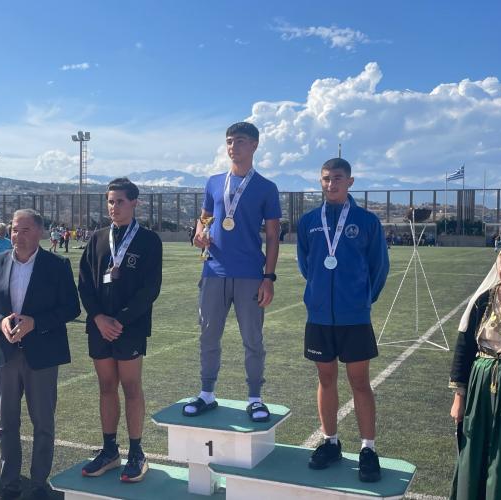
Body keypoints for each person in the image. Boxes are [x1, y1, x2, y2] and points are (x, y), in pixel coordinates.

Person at [0, 209, 81, 500]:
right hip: (4, 355)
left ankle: (39, 484)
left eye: (24, 230)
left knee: (43, 423)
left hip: (42, 355)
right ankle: (9, 483)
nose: (17, 236)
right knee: (6, 424)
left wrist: (36, 323)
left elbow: (71, 308)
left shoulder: (57, 265)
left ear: (40, 232)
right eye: (14, 229)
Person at [296, 157, 389, 482]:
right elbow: (306, 264)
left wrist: (362, 300)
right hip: (319, 316)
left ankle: (368, 449)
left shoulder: (366, 221)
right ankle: (330, 441)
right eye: (326, 178)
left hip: (354, 317)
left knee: (360, 382)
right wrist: (319, 295)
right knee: (325, 379)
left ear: (350, 181)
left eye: (337, 178)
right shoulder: (309, 221)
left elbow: (379, 266)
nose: (331, 183)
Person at [182, 122, 280, 423]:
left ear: (254, 145)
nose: (232, 147)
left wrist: (268, 277)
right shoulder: (214, 182)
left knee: (253, 339)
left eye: (239, 141)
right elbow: (204, 220)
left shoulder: (266, 187)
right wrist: (199, 234)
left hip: (250, 274)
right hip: (213, 271)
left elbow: (273, 236)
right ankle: (206, 393)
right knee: (208, 335)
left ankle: (255, 398)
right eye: (228, 141)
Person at [78, 178, 163, 482]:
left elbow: (150, 289)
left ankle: (137, 452)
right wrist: (98, 317)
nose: (114, 207)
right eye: (110, 201)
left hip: (130, 327)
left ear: (134, 203)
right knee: (105, 386)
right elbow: (85, 283)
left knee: (131, 387)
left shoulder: (149, 240)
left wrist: (121, 321)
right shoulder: (98, 238)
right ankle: (110, 450)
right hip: (99, 327)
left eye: (120, 201)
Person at [449, 244, 501, 500]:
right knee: (474, 445)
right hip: (480, 384)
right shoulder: (483, 301)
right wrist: (458, 398)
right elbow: (464, 349)